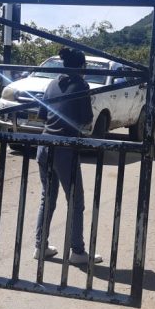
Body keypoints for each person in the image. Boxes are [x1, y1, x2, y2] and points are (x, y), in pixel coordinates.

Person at [33, 47, 102, 265]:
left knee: (47, 198)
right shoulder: (81, 85)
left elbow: (42, 115)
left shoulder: (52, 84)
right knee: (75, 201)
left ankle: (40, 247)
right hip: (65, 148)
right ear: (82, 66)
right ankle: (77, 252)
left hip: (45, 145)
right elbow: (86, 120)